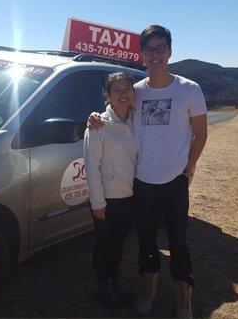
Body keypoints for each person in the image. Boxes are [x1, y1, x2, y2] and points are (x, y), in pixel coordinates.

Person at [88, 25, 208, 318]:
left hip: (174, 181)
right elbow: (114, 109)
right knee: (146, 240)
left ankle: (184, 296)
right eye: (149, 49)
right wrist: (93, 117)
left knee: (179, 241)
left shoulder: (189, 89)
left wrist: (188, 168)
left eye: (160, 48)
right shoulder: (136, 91)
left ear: (169, 51)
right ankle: (149, 289)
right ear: (142, 54)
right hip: (141, 182)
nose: (155, 54)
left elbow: (201, 135)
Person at [83, 72, 137, 308]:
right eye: (118, 90)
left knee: (119, 242)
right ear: (108, 95)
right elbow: (91, 166)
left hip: (130, 196)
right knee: (105, 243)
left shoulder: (137, 120)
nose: (124, 93)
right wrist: (97, 202)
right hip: (107, 200)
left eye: (128, 88)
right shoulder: (98, 126)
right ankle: (103, 285)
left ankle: (113, 278)